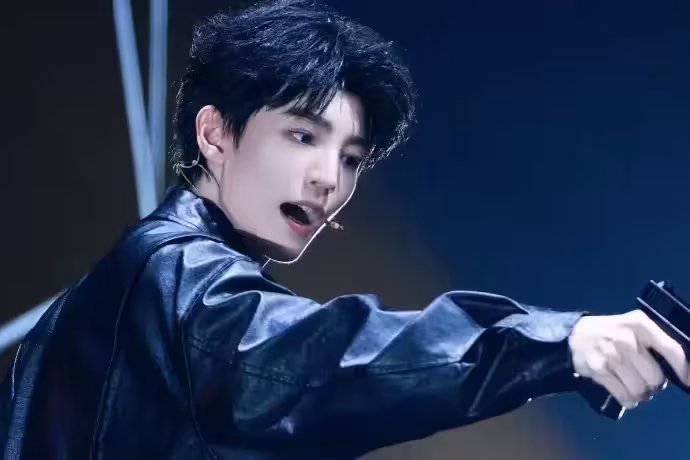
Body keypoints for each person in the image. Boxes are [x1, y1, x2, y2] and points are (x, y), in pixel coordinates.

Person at [1, 0, 688, 458]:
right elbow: (321, 358)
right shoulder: (174, 274)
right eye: (303, 135)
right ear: (214, 133)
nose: (329, 178)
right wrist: (555, 342)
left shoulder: (130, 290)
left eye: (352, 158)